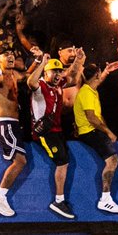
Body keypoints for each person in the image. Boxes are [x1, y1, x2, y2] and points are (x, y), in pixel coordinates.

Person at [0, 48, 31, 217]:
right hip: (5, 124)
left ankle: (0, 196)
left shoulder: (15, 75)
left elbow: (27, 75)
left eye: (12, 54)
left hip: (14, 125)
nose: (10, 56)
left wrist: (41, 60)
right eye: (5, 55)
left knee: (21, 161)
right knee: (20, 161)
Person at [72, 59, 118, 214]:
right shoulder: (87, 92)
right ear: (96, 75)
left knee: (112, 160)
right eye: (100, 73)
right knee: (112, 160)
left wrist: (106, 72)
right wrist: (108, 132)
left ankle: (106, 198)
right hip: (90, 132)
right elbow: (92, 118)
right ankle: (105, 199)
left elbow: (97, 82)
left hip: (89, 131)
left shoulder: (89, 89)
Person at [28, 54, 75, 218]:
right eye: (53, 72)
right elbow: (30, 82)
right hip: (45, 132)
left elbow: (72, 75)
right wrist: (42, 63)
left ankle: (60, 200)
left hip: (57, 130)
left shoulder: (58, 84)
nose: (57, 75)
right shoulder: (41, 84)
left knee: (66, 160)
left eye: (59, 72)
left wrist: (79, 60)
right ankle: (58, 201)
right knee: (61, 161)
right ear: (45, 73)